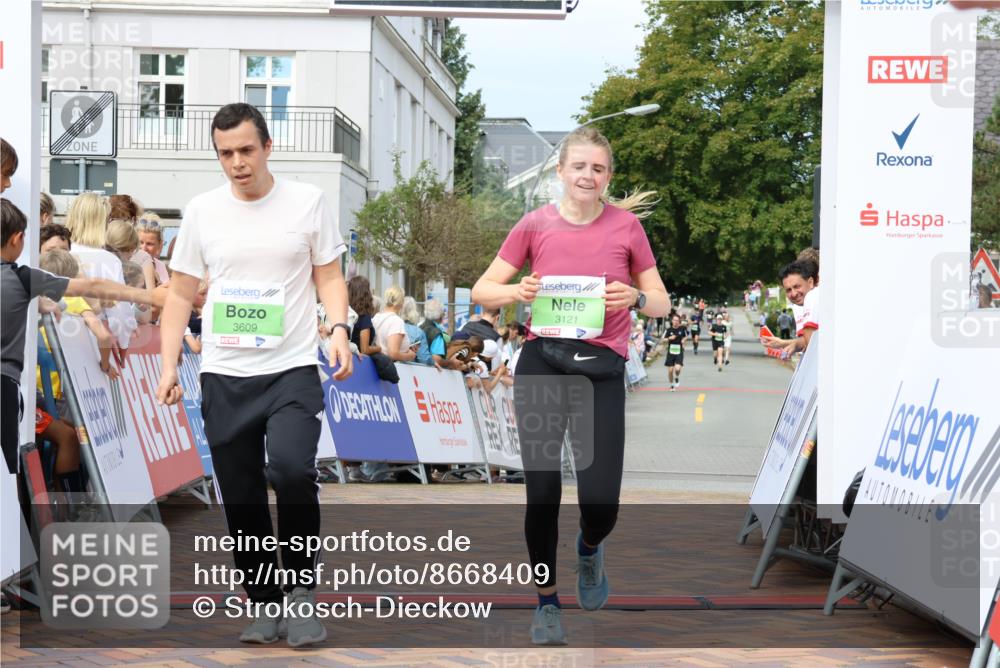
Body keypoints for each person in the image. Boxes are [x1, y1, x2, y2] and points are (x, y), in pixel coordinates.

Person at [154, 103, 352, 648]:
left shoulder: (308, 202)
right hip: (224, 371)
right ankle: (264, 602)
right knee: (240, 494)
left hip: (290, 367)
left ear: (267, 147)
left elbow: (330, 276)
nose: (237, 163)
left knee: (291, 471)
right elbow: (178, 294)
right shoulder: (201, 211)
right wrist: (170, 362)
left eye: (245, 150)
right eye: (225, 154)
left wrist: (337, 328)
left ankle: (301, 594)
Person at [470, 126, 670, 645]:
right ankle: (546, 603)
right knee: (542, 492)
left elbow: (661, 300)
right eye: (579, 166)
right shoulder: (535, 224)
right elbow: (482, 289)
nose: (587, 176)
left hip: (601, 369)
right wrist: (517, 289)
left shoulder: (627, 229)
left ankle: (588, 548)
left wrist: (635, 299)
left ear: (608, 177)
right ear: (561, 172)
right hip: (543, 362)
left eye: (598, 169)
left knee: (601, 502)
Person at [3, 198, 161, 480]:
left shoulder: (26, 281)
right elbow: (91, 286)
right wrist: (149, 296)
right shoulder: (23, 278)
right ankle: (37, 516)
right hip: (6, 384)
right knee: (9, 466)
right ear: (17, 239)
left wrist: (47, 304)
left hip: (21, 386)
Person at [65, 193, 136, 357]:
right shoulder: (108, 260)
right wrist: (123, 344)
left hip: (58, 337)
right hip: (94, 344)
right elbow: (119, 310)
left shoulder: (59, 252)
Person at [762, 259, 819, 356]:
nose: (793, 294)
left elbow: (811, 346)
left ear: (810, 282)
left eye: (797, 286)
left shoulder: (811, 297)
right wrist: (783, 343)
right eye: (788, 290)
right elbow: (808, 341)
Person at [373, 285, 417, 363]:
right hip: (392, 367)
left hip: (377, 363)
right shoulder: (396, 321)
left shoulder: (376, 317)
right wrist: (411, 355)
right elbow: (393, 353)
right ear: (401, 302)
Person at [347, 275, 381, 356]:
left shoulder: (346, 311)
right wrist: (379, 348)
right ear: (366, 293)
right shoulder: (364, 317)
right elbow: (364, 349)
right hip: (358, 360)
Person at [136, 214, 170, 286]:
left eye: (149, 244)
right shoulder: (129, 266)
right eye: (140, 242)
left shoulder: (161, 266)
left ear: (160, 244)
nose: (144, 248)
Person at [401, 296, 432, 365]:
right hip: (411, 372)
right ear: (414, 311)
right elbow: (424, 360)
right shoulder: (418, 332)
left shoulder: (392, 326)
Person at [419, 298, 448, 366]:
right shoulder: (437, 333)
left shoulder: (419, 327)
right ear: (440, 315)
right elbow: (437, 360)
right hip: (432, 372)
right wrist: (452, 363)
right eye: (443, 312)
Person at [662, 314, 687, 391]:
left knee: (677, 369)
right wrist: (669, 338)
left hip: (679, 351)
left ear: (679, 321)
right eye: (674, 320)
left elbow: (685, 336)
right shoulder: (668, 330)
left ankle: (676, 377)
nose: (675, 322)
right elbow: (663, 339)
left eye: (677, 320)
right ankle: (671, 385)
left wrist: (683, 340)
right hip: (671, 352)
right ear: (672, 321)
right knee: (670, 370)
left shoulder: (682, 328)